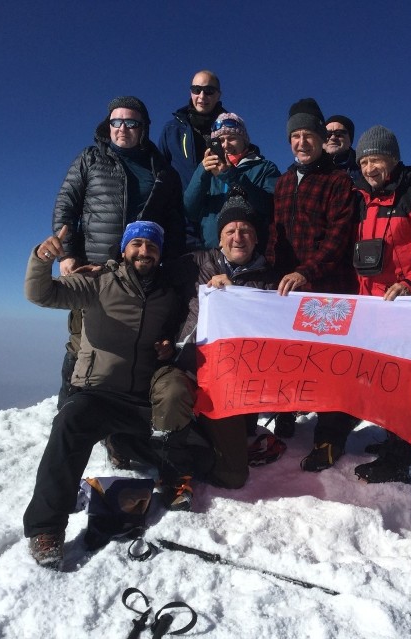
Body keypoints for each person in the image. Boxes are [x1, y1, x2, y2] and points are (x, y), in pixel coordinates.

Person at [23, 221, 202, 570]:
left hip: (144, 398)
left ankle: (141, 456)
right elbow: (41, 294)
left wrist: (167, 347)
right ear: (124, 249)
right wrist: (42, 259)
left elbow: (176, 332)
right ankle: (46, 528)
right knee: (69, 423)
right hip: (99, 393)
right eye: (136, 244)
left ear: (159, 253)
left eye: (151, 246)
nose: (143, 251)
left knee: (201, 455)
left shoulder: (168, 294)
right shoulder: (97, 282)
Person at [52, 96, 185, 407]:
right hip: (96, 267)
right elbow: (66, 207)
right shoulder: (90, 159)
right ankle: (68, 411)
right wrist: (67, 254)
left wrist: (171, 266)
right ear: (108, 125)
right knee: (80, 342)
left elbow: (175, 224)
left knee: (132, 345)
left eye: (131, 122)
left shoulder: (161, 171)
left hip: (142, 269)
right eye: (116, 121)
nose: (122, 128)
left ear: (143, 128)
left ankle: (121, 427)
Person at [347, 125, 411, 484]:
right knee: (383, 380)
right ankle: (395, 441)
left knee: (404, 382)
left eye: (376, 159)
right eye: (364, 161)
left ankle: (402, 456)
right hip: (372, 311)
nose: (370, 168)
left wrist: (410, 285)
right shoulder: (361, 200)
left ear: (393, 159)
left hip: (406, 309)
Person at [265, 98, 359, 472]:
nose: (302, 142)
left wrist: (307, 271)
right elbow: (276, 235)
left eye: (309, 135)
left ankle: (329, 438)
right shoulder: (285, 182)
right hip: (290, 290)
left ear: (321, 139)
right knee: (291, 358)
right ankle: (287, 415)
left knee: (331, 366)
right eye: (296, 136)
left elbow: (339, 238)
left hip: (328, 289)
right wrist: (269, 276)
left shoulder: (338, 181)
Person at [174, 190, 281, 488]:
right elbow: (146, 280)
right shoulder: (193, 263)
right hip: (187, 366)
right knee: (169, 399)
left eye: (246, 230)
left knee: (234, 476)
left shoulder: (271, 281)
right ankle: (165, 447)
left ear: (257, 238)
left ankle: (198, 440)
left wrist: (236, 296)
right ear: (219, 238)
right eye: (230, 230)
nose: (238, 236)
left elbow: (274, 334)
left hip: (229, 381)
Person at [183, 113, 280, 252]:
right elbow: (190, 210)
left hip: (250, 252)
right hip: (212, 252)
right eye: (220, 140)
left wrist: (231, 175)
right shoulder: (206, 171)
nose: (226, 145)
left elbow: (270, 206)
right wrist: (201, 172)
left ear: (244, 141)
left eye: (232, 138)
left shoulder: (264, 168)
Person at [158, 70, 227, 249]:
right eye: (197, 90)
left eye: (209, 91)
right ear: (191, 92)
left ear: (218, 94)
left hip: (219, 219)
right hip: (182, 224)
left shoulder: (230, 128)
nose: (202, 96)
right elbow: (159, 173)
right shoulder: (172, 130)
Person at [323, 114, 360, 181]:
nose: (333, 138)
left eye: (339, 134)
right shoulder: (309, 165)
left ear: (350, 140)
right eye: (327, 134)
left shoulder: (362, 167)